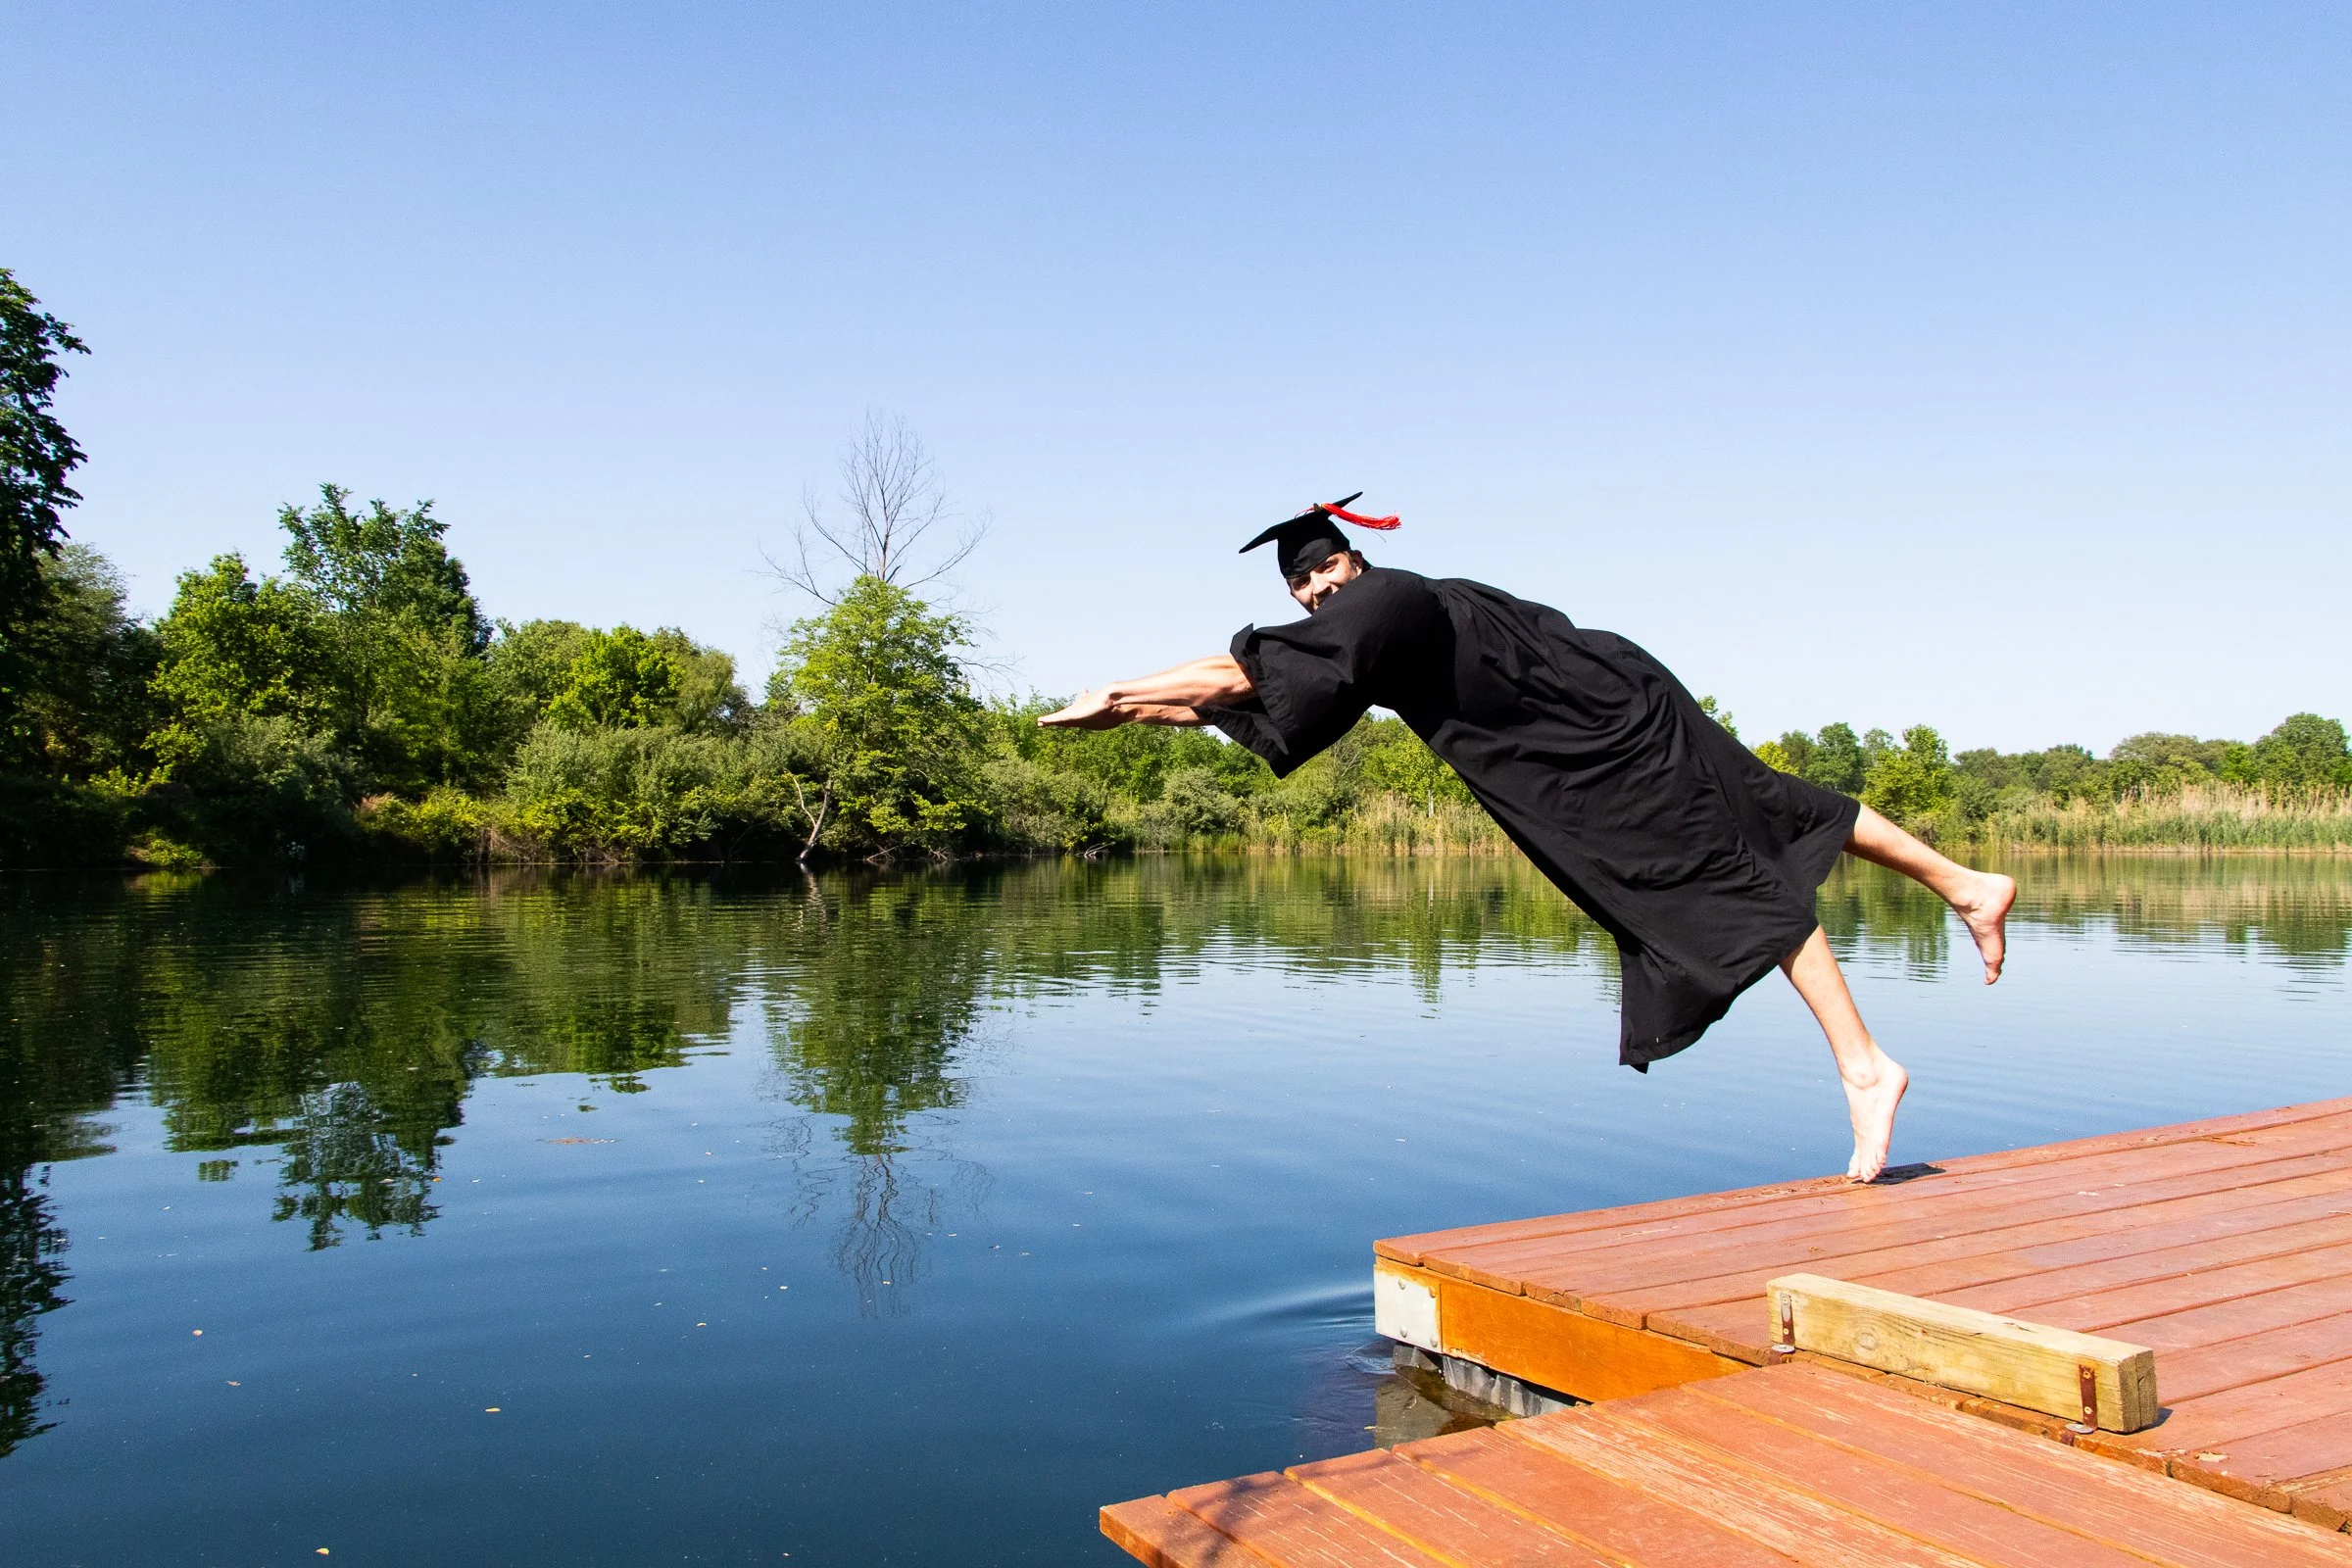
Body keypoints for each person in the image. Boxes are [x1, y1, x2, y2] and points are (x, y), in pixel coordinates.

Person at [1039, 496, 2016, 1182]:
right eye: (1300, 590)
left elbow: (1241, 669)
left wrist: (1120, 688)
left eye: (1319, 575)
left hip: (1598, 742)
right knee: (1772, 804)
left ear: (1352, 562)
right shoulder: (1397, 611)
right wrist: (1128, 715)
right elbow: (1266, 699)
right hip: (1620, 703)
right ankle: (1967, 885)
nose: (1311, 597)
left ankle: (1864, 1066)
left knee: (1717, 879)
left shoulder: (1383, 603)